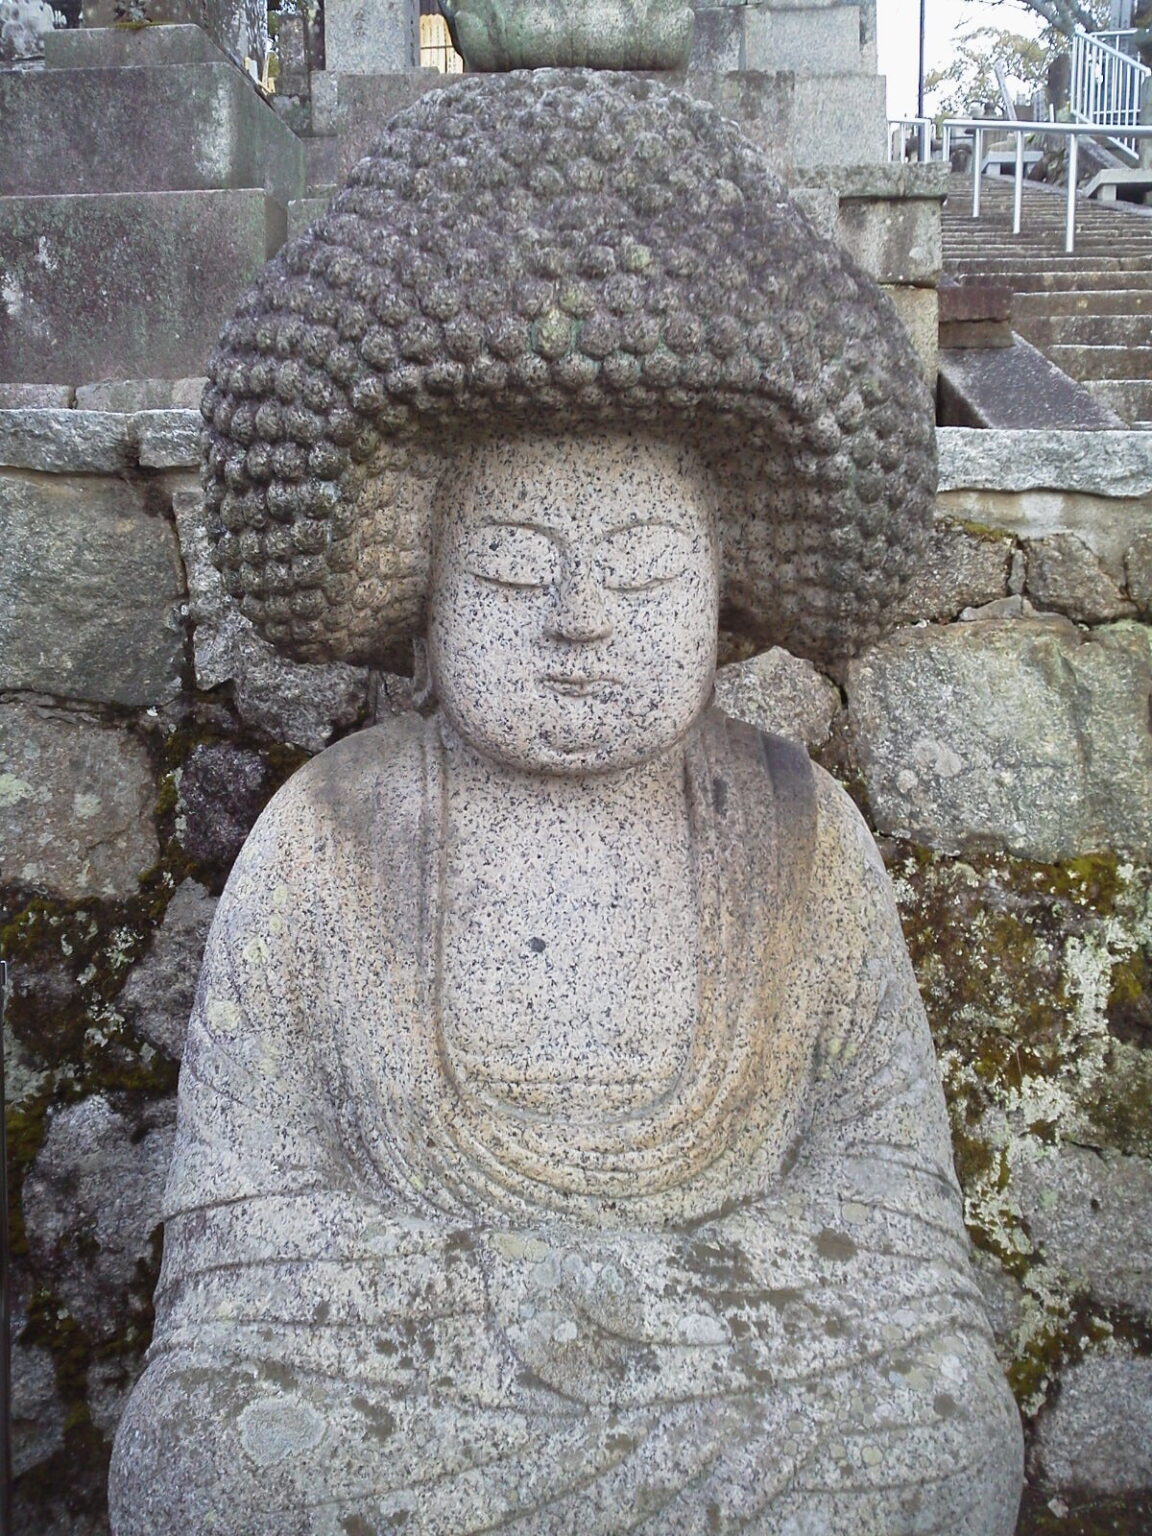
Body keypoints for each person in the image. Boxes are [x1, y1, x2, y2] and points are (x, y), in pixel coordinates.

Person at [110, 71, 1023, 1535]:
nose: (581, 621)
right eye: (519, 571)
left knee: (943, 1435)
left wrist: (655, 1308)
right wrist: (507, 1301)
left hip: (737, 1371)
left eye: (649, 572)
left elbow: (896, 1210)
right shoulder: (330, 832)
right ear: (425, 598)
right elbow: (238, 1246)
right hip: (412, 1383)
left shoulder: (799, 830)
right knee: (204, 1464)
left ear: (724, 591)